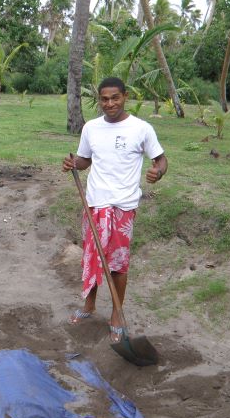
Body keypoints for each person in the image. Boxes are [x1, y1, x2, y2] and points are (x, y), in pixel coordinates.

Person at [62, 76, 168, 342]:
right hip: (95, 203)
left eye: (114, 98)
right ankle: (89, 305)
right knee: (92, 257)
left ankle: (117, 314)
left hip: (123, 206)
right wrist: (74, 163)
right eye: (104, 99)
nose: (109, 103)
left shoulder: (141, 129)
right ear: (99, 100)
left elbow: (160, 159)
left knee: (118, 264)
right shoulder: (91, 128)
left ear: (125, 97)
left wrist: (158, 172)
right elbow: (86, 159)